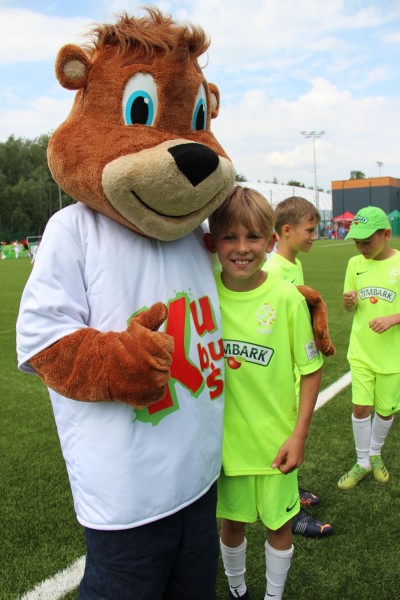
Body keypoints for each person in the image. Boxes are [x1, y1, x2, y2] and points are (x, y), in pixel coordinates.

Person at [204, 186, 323, 600]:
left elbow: (311, 371)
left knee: (279, 526)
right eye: (229, 238)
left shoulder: (286, 298)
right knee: (230, 524)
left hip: (276, 445)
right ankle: (238, 589)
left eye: (253, 237)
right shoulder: (204, 297)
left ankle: (273, 596)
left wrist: (299, 435)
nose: (241, 248)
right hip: (225, 447)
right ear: (212, 242)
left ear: (271, 241)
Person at [263, 196, 333, 538]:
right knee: (285, 433)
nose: (314, 236)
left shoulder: (292, 265)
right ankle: (288, 513)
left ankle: (293, 489)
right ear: (286, 231)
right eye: (310, 230)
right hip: (281, 370)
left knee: (292, 434)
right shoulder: (273, 270)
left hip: (296, 364)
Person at [338, 206, 400, 490]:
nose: (361, 247)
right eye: (357, 241)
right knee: (361, 407)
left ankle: (375, 454)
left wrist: (393, 318)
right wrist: (349, 302)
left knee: (386, 410)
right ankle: (362, 461)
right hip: (361, 350)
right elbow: (348, 304)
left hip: (392, 355)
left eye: (367, 241)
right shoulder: (354, 264)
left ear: (386, 234)